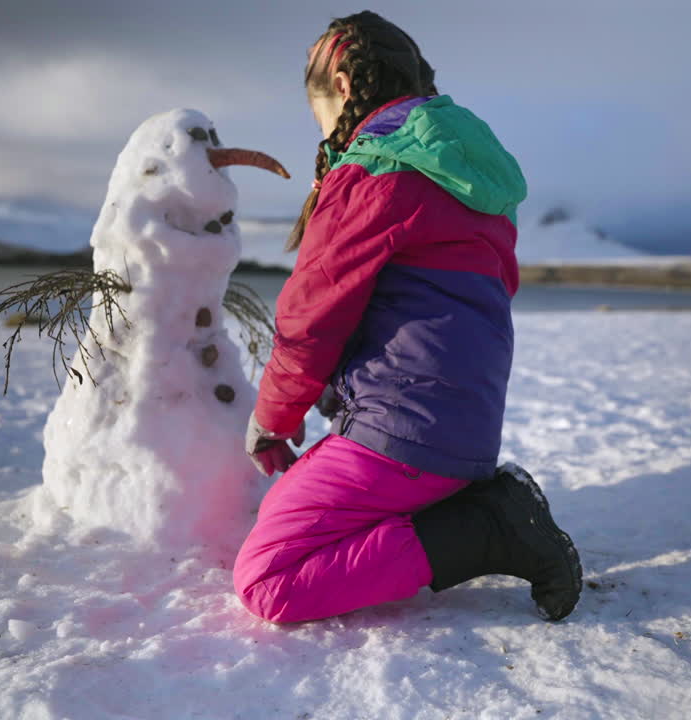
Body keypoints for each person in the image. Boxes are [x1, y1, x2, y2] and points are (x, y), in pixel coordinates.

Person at [234, 10, 581, 624]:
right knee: (287, 510)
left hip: (406, 432)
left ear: (342, 86)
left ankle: (487, 529)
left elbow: (312, 315)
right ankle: (467, 503)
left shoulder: (375, 169)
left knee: (269, 579)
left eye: (315, 109)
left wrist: (273, 416)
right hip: (461, 431)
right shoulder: (469, 176)